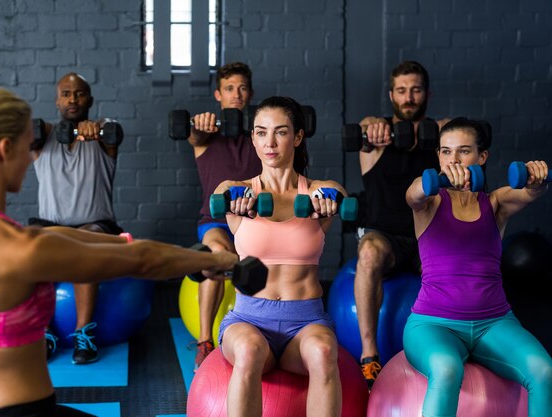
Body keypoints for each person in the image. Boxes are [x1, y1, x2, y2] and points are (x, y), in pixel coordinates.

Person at [0, 85, 238, 417]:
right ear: (5, 149)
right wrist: (218, 260)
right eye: (24, 145)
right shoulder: (19, 248)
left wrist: (194, 257)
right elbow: (141, 261)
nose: (29, 156)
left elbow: (124, 246)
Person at [404, 117, 552, 417]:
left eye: (463, 151)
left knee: (544, 370)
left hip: (494, 322)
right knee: (446, 369)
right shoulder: (430, 202)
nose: (453, 160)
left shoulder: (495, 203)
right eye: (445, 152)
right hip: (433, 323)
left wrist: (538, 179)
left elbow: (527, 193)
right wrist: (432, 181)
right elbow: (415, 192)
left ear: (481, 157)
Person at [215, 96, 346, 416]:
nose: (269, 142)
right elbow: (222, 194)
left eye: (281, 132)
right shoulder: (239, 190)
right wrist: (235, 199)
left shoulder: (315, 192)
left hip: (306, 322)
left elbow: (337, 192)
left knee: (325, 351)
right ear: (253, 139)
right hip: (248, 319)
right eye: (260, 132)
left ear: (298, 137)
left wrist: (328, 198)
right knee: (248, 350)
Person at [353, 60, 447, 387]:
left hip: (428, 239)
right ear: (391, 94)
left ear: (427, 94)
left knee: (458, 259)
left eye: (416, 90)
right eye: (402, 90)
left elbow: (461, 130)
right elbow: (364, 128)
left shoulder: (441, 141)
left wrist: (437, 130)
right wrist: (371, 125)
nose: (409, 98)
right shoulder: (374, 140)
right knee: (369, 253)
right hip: (385, 237)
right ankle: (369, 356)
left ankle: (454, 348)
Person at [29, 72, 121, 365]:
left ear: (89, 100)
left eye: (79, 93)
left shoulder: (104, 133)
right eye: (66, 94)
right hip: (50, 226)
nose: (72, 99)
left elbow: (113, 129)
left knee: (86, 244)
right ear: (57, 100)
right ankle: (42, 333)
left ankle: (84, 333)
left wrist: (97, 129)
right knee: (26, 246)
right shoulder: (41, 138)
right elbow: (31, 128)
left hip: (95, 226)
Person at [188, 62, 261, 370]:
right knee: (218, 253)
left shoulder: (260, 136)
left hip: (254, 222)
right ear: (219, 94)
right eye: (230, 88)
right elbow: (194, 135)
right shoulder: (205, 136)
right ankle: (205, 341)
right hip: (215, 222)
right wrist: (199, 124)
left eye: (242, 88)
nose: (236, 94)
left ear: (250, 94)